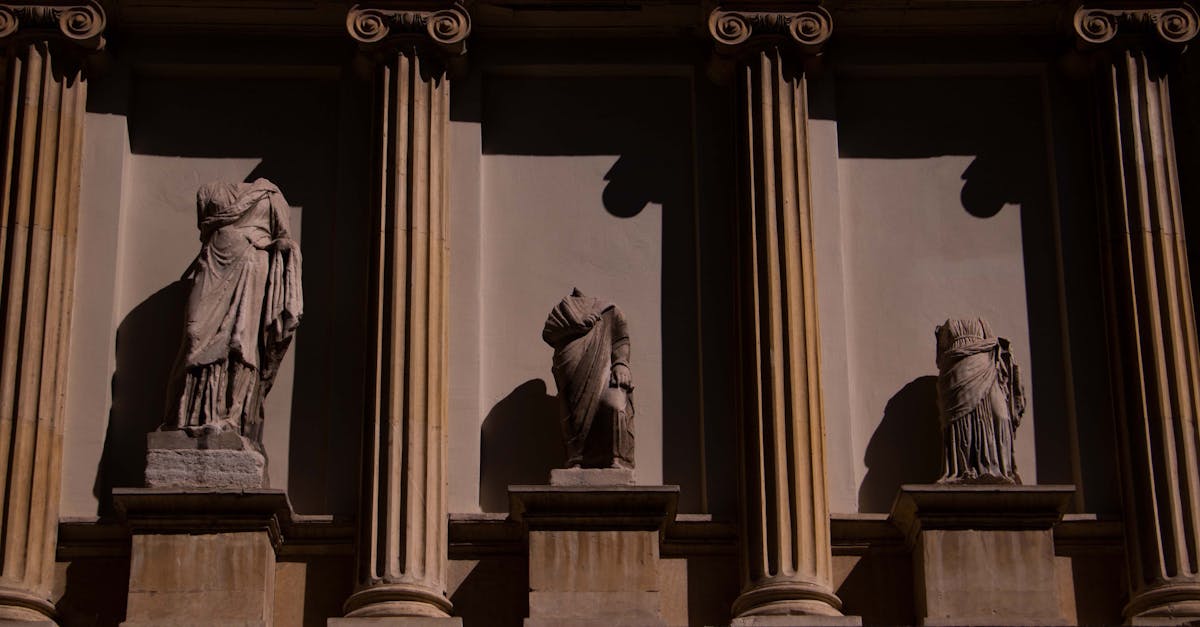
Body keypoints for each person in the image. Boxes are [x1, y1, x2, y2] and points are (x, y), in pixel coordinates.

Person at [162, 178, 303, 449]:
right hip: (212, 262)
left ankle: (231, 419)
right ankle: (189, 417)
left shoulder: (271, 193)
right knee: (194, 335)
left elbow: (284, 238)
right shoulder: (208, 189)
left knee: (240, 344)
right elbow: (204, 226)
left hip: (251, 266)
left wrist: (278, 247)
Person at [542, 288, 634, 469]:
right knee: (574, 414)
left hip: (604, 370)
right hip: (570, 367)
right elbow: (548, 333)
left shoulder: (610, 309)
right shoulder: (562, 309)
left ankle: (617, 458)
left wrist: (621, 363)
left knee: (614, 405)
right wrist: (575, 326)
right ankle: (576, 459)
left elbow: (621, 340)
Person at [934, 317, 1025, 484]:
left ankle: (998, 468)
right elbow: (940, 358)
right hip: (958, 367)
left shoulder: (982, 322)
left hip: (985, 363)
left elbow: (992, 343)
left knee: (1000, 416)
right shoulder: (947, 326)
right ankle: (965, 469)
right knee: (962, 420)